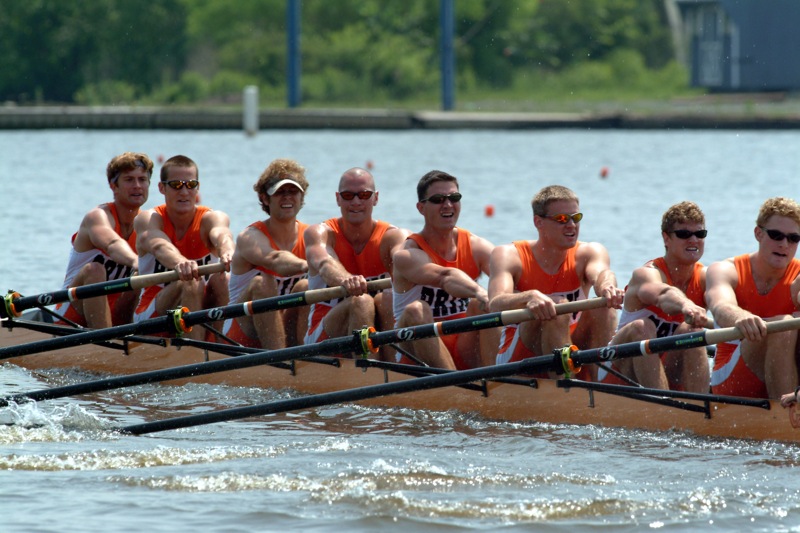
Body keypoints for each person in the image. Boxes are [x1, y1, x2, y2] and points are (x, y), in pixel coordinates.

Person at [488, 185, 624, 379]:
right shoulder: (509, 255)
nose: (571, 225)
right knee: (557, 307)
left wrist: (607, 287)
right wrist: (530, 297)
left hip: (572, 348)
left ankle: (599, 383)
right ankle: (569, 388)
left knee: (605, 308)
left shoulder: (590, 251)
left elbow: (602, 273)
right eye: (561, 219)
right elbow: (495, 303)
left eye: (576, 218)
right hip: (521, 356)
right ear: (538, 222)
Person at [597, 201, 710, 392]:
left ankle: (702, 411)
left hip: (666, 369)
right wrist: (686, 304)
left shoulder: (707, 278)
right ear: (666, 239)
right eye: (684, 234)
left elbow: (726, 301)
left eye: (700, 234)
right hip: (620, 373)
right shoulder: (646, 274)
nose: (693, 240)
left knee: (692, 330)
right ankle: (663, 407)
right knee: (643, 327)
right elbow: (663, 294)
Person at [392, 170, 495, 370]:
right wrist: (480, 291)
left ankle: (499, 384)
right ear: (421, 208)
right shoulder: (407, 254)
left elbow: (511, 275)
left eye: (454, 198)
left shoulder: (476, 246)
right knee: (417, 309)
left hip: (465, 344)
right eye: (438, 199)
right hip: (416, 351)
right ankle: (455, 386)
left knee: (484, 304)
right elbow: (445, 277)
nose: (447, 205)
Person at [303, 167, 406, 355]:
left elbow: (405, 260)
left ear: (376, 198)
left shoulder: (393, 237)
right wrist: (346, 280)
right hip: (324, 335)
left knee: (387, 299)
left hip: (378, 336)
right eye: (348, 195)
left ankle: (394, 367)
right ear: (338, 198)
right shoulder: (321, 233)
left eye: (364, 195)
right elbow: (325, 263)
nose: (356, 202)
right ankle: (365, 371)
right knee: (362, 301)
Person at [706, 197, 800, 399]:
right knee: (784, 325)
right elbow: (721, 305)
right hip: (732, 378)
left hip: (787, 371)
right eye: (776, 235)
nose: (784, 244)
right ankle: (786, 418)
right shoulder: (726, 270)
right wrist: (741, 317)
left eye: (793, 238)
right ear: (758, 233)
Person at [133, 155, 234, 339]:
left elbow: (222, 234)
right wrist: (181, 262)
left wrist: (227, 251)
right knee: (192, 281)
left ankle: (221, 346)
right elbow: (158, 244)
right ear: (162, 188)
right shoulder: (149, 219)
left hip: (200, 308)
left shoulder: (212, 217)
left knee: (223, 280)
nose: (185, 192)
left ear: (198, 187)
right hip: (153, 314)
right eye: (176, 185)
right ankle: (195, 355)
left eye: (191, 185)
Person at [55, 152, 153, 328]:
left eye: (142, 179)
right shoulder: (97, 217)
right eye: (129, 180)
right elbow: (112, 244)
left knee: (142, 277)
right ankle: (106, 343)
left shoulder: (148, 223)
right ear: (113, 186)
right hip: (71, 314)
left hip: (117, 314)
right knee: (95, 270)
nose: (137, 186)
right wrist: (135, 262)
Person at [222, 159, 310, 349]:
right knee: (263, 283)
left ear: (302, 197)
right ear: (264, 198)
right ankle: (280, 361)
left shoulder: (312, 236)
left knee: (305, 286)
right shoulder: (250, 237)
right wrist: (309, 264)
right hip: (241, 332)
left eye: (293, 192)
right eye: (279, 192)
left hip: (287, 327)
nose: (287, 197)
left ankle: (307, 360)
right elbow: (275, 259)